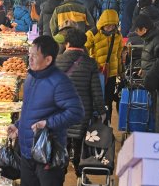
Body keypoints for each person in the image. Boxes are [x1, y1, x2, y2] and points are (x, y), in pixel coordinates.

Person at [7, 36, 84, 185]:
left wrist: (48, 123)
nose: (30, 59)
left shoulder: (59, 81)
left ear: (48, 60)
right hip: (27, 153)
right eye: (29, 55)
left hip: (47, 153)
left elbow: (76, 112)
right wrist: (18, 125)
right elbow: (30, 110)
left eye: (34, 56)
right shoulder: (30, 77)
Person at [55, 29, 106, 178]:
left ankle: (62, 168)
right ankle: (78, 166)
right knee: (78, 140)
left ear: (67, 43)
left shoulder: (56, 61)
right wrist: (102, 111)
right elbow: (96, 91)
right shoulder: (90, 63)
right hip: (81, 110)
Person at [85, 10, 123, 123]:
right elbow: (83, 50)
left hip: (111, 74)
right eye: (107, 25)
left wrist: (121, 71)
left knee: (108, 101)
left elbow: (119, 54)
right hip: (97, 74)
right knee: (96, 100)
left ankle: (107, 125)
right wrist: (93, 64)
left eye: (112, 25)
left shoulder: (117, 36)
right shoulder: (92, 34)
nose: (109, 28)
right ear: (102, 23)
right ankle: (95, 127)